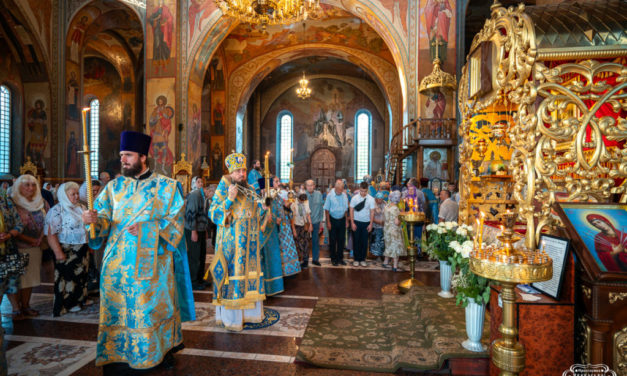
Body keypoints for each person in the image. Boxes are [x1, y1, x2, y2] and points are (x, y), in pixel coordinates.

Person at [81, 131, 195, 373]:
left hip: (152, 268)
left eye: (128, 155)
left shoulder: (167, 187)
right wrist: (91, 220)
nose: (123, 160)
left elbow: (175, 224)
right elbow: (101, 222)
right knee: (117, 311)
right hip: (117, 267)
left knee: (148, 311)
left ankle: (157, 352)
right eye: (122, 155)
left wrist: (147, 229)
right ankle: (118, 354)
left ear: (143, 157)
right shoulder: (112, 188)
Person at [208, 152, 267, 331]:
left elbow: (258, 211)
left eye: (243, 170)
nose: (242, 174)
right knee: (232, 279)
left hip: (249, 245)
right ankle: (232, 319)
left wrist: (265, 206)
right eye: (238, 171)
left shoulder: (249, 188)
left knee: (249, 276)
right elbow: (213, 213)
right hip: (231, 246)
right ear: (231, 172)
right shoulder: (224, 186)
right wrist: (229, 200)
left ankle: (250, 315)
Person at [44, 182, 90, 316]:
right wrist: (58, 252)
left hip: (81, 247)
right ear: (64, 195)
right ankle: (65, 304)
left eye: (77, 193)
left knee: (80, 276)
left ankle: (77, 301)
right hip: (65, 248)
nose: (76, 196)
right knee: (66, 278)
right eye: (72, 194)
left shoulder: (81, 207)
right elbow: (51, 233)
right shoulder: (57, 210)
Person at [9, 174, 49, 319]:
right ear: (19, 186)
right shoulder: (12, 202)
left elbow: (48, 220)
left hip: (35, 246)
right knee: (15, 279)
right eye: (26, 185)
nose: (30, 188)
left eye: (33, 185)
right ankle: (16, 308)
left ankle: (26, 305)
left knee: (30, 278)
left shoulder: (41, 201)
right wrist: (27, 239)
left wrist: (40, 238)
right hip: (16, 246)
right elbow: (9, 225)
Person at [0, 190, 26, 372]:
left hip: (5, 254)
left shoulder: (5, 200)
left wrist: (9, 234)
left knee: (5, 289)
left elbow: (18, 223)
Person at [272, 176, 300, 276]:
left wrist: (287, 206)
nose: (279, 183)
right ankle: (282, 272)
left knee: (288, 249)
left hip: (286, 227)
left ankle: (290, 270)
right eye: (276, 182)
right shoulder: (269, 197)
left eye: (278, 181)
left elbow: (285, 211)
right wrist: (276, 219)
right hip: (277, 229)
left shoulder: (278, 197)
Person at [185, 176, 209, 290]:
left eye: (202, 182)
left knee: (202, 255)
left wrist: (204, 230)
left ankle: (200, 279)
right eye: (198, 182)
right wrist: (193, 231)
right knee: (194, 256)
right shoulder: (195, 195)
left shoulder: (204, 197)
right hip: (192, 230)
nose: (201, 184)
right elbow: (191, 214)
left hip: (200, 230)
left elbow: (203, 215)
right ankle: (193, 281)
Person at [324, 179, 349, 266]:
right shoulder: (330, 195)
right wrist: (328, 222)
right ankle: (333, 258)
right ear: (335, 187)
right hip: (332, 219)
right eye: (338, 190)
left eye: (341, 190)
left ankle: (340, 258)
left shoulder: (344, 195)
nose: (340, 191)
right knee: (333, 240)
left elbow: (346, 209)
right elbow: (326, 210)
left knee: (341, 240)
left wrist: (346, 220)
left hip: (342, 219)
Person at [350, 181, 375, 267]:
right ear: (359, 189)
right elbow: (351, 210)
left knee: (364, 242)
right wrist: (352, 223)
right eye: (361, 191)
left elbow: (372, 212)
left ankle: (363, 259)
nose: (363, 193)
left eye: (365, 191)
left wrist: (371, 224)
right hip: (356, 222)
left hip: (366, 223)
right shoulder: (354, 198)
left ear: (367, 190)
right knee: (356, 241)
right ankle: (356, 259)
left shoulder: (371, 199)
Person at [383, 191, 406, 271]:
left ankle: (385, 262)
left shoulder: (387, 206)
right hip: (394, 230)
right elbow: (397, 222)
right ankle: (395, 266)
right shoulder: (395, 209)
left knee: (388, 245)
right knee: (395, 247)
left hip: (386, 229)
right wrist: (402, 216)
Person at [305, 179, 324, 266]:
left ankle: (315, 259)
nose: (310, 187)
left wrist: (321, 221)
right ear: (306, 186)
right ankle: (305, 260)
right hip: (306, 222)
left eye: (311, 185)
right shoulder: (303, 195)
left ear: (314, 186)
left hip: (316, 221)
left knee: (315, 241)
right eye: (308, 185)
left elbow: (321, 208)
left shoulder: (319, 194)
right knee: (305, 241)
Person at [291, 193, 312, 268]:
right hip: (297, 226)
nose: (303, 202)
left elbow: (308, 214)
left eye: (304, 201)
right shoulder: (293, 204)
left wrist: (310, 224)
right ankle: (300, 260)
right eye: (301, 200)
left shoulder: (306, 202)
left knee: (306, 243)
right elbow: (292, 218)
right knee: (299, 244)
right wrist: (293, 230)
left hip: (304, 225)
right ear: (298, 199)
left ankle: (306, 261)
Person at [370, 192, 386, 262]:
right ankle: (376, 256)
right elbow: (370, 216)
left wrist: (384, 222)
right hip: (375, 226)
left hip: (383, 226)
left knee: (382, 242)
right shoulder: (373, 204)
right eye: (379, 199)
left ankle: (382, 255)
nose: (380, 201)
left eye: (381, 199)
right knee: (376, 242)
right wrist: (378, 222)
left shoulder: (385, 203)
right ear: (376, 199)